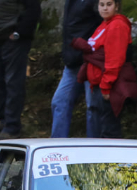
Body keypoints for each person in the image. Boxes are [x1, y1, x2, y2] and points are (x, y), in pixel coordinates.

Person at [73, 0, 135, 138]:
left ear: (117, 6)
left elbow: (114, 59)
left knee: (109, 132)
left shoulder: (117, 25)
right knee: (102, 129)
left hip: (109, 85)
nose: (105, 8)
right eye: (102, 5)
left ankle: (112, 159)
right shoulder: (104, 24)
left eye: (109, 4)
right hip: (98, 83)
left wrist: (106, 86)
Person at [0, 0, 40, 140]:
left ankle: (12, 127)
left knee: (13, 83)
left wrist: (20, 32)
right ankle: (4, 120)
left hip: (13, 40)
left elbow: (34, 9)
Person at [50, 0, 101, 137]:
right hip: (72, 63)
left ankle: (95, 149)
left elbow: (103, 25)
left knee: (93, 107)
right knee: (59, 102)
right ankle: (56, 148)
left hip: (90, 62)